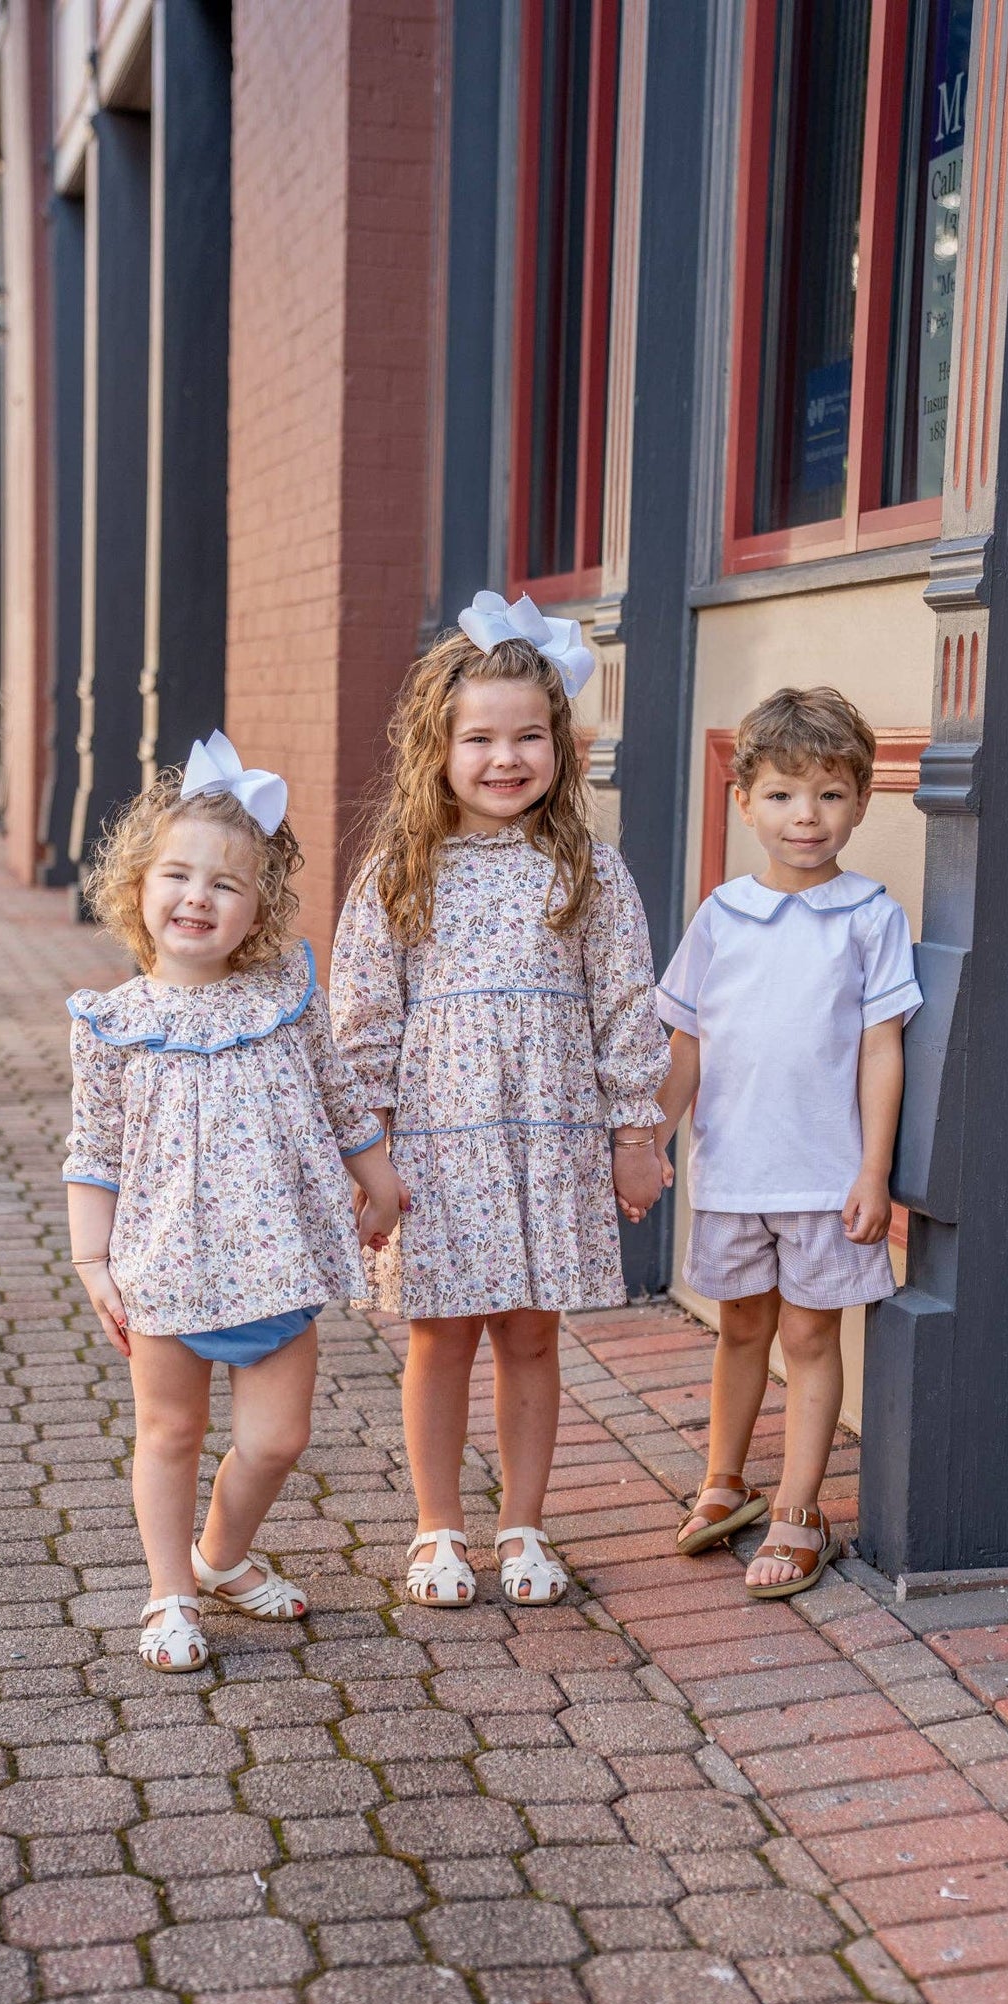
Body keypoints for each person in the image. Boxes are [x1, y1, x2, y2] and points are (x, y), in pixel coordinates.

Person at [331, 592, 668, 1608]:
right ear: (436, 747)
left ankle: (523, 1524)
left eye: (528, 735)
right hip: (438, 1142)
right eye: (477, 737)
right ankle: (438, 1527)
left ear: (560, 746)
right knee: (440, 1331)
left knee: (529, 1332)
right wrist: (369, 1151)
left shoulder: (588, 872)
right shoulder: (400, 871)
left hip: (551, 1138)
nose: (503, 758)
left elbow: (624, 1006)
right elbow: (362, 1017)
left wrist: (635, 1133)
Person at [64, 733, 403, 1670]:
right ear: (137, 887)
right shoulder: (115, 1026)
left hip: (274, 1262)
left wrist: (379, 1182)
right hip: (163, 1266)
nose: (198, 897)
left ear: (255, 908)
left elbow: (341, 1101)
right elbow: (92, 1155)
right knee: (171, 1432)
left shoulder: (285, 998)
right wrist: (94, 1263)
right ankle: (169, 1590)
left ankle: (219, 1556)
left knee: (277, 1437)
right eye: (176, 875)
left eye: (225, 883)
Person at [656, 687, 921, 1597]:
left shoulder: (868, 917)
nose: (805, 816)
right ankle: (723, 1479)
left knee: (809, 1337)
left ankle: (800, 1507)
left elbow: (881, 1049)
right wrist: (651, 1136)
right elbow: (686, 1046)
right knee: (738, 1328)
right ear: (743, 802)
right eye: (780, 794)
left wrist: (872, 1170)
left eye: (830, 795)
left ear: (861, 801)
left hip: (822, 1177)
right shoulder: (720, 916)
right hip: (731, 1171)